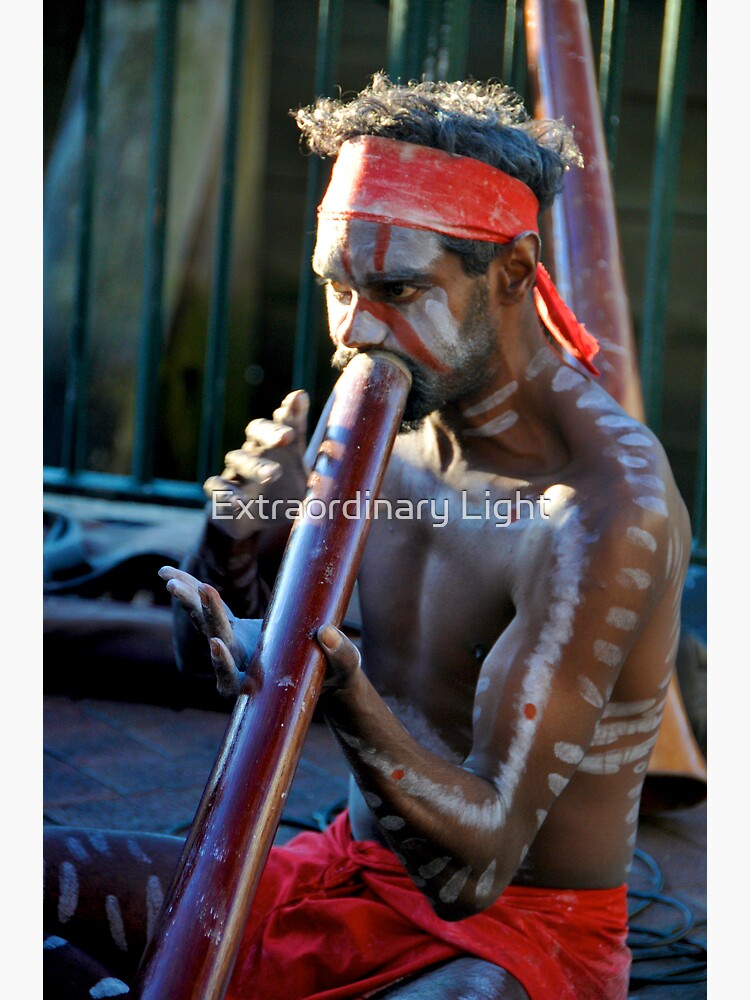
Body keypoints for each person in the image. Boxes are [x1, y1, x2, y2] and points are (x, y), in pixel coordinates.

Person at [43, 75, 690, 1000]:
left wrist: (342, 694)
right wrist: (235, 545)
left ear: (510, 274)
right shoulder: (389, 426)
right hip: (335, 874)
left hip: (510, 942)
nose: (354, 332)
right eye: (335, 287)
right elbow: (216, 675)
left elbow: (478, 870)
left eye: (395, 289)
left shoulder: (598, 506)